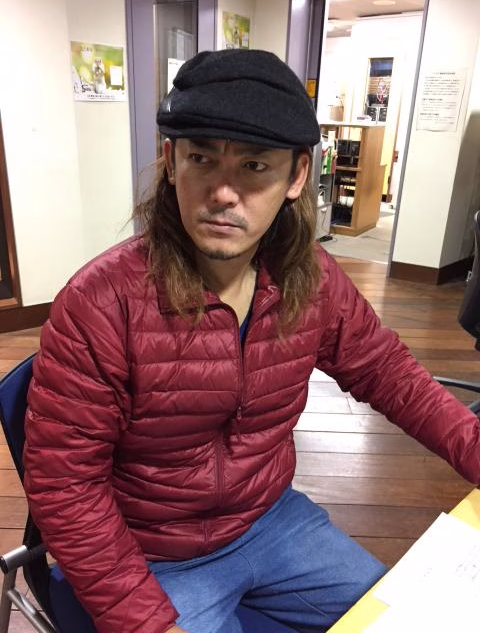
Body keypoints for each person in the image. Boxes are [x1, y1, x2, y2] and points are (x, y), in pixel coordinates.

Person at [24, 49, 480, 633]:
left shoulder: (311, 278)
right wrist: (148, 623)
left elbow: (388, 372)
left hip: (270, 521)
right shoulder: (100, 303)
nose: (223, 192)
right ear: (170, 161)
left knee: (406, 623)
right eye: (201, 158)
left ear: (297, 176)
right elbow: (66, 488)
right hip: (151, 552)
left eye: (255, 166)